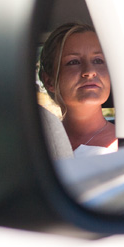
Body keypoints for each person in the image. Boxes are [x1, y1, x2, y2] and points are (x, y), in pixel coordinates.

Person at [38, 22, 117, 157]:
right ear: (49, 80)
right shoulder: (38, 145)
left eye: (98, 60)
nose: (90, 71)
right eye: (74, 62)